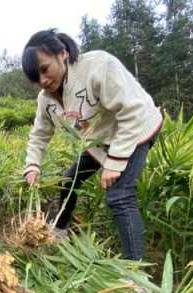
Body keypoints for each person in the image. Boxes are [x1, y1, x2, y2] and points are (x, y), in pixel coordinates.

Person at [21, 30, 162, 261]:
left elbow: (132, 111)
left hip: (136, 130)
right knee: (69, 180)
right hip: (99, 141)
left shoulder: (99, 66)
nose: (43, 81)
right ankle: (58, 232)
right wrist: (32, 165)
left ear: (63, 53)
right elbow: (39, 134)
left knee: (119, 196)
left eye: (45, 69)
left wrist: (115, 162)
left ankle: (136, 276)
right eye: (36, 79)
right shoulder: (46, 99)